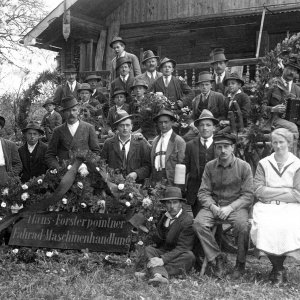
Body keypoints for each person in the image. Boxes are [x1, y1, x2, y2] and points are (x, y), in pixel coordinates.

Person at [193, 132, 253, 279]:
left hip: (236, 207)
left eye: (226, 147)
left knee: (243, 226)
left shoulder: (244, 167)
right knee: (198, 223)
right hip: (215, 206)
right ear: (215, 149)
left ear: (232, 148)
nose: (223, 151)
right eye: (219, 147)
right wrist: (213, 207)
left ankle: (240, 264)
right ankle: (217, 257)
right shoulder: (210, 166)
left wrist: (230, 208)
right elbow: (203, 193)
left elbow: (248, 195)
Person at [250, 128, 300, 284]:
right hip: (267, 206)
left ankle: (278, 269)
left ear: (289, 143)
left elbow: (298, 194)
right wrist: (286, 190)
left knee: (288, 226)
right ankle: (278, 268)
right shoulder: (264, 163)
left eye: (281, 142)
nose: (278, 146)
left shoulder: (297, 164)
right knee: (265, 226)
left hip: (291, 206)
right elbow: (258, 190)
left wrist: (269, 191)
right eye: (275, 142)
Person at [136, 187, 195, 285]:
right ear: (165, 204)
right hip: (164, 250)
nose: (172, 206)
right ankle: (159, 276)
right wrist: (149, 229)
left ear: (181, 204)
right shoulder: (164, 216)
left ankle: (150, 274)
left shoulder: (187, 221)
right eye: (169, 203)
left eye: (175, 202)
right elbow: (160, 241)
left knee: (189, 257)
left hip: (179, 254)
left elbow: (182, 248)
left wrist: (163, 260)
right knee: (149, 250)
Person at [45, 97, 100, 170]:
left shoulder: (89, 128)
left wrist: (87, 166)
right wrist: (58, 168)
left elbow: (96, 151)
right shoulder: (57, 131)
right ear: (63, 113)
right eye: (67, 111)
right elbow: (50, 155)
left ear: (78, 111)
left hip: (85, 172)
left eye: (74, 110)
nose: (71, 113)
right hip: (64, 173)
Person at [184, 109, 218, 217]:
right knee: (198, 223)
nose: (205, 128)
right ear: (198, 128)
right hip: (196, 192)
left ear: (214, 127)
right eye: (202, 125)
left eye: (208, 125)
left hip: (217, 192)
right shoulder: (190, 145)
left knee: (218, 227)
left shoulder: (220, 145)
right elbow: (184, 169)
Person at [101, 110, 151, 184]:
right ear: (117, 127)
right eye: (122, 125)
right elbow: (102, 164)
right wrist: (110, 177)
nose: (125, 128)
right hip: (113, 185)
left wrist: (136, 174)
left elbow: (148, 166)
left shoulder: (140, 143)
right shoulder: (109, 143)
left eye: (127, 125)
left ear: (132, 126)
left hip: (135, 186)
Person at [263, 57, 300, 152]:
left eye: (294, 70)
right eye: (289, 69)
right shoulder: (273, 83)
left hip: (292, 121)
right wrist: (273, 109)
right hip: (273, 120)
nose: (292, 72)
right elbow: (260, 106)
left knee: (292, 127)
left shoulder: (297, 89)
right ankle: (292, 160)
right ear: (284, 68)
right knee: (293, 128)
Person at [184, 71, 226, 142]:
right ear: (199, 86)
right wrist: (193, 125)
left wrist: (213, 124)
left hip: (214, 126)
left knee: (199, 139)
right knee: (185, 138)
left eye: (207, 84)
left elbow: (224, 115)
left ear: (211, 85)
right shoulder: (196, 100)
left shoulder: (218, 97)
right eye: (202, 85)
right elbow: (192, 117)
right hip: (198, 127)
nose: (204, 87)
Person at [151, 109, 186, 186]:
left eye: (166, 122)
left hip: (171, 180)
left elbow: (181, 165)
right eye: (160, 122)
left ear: (172, 122)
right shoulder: (155, 141)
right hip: (156, 178)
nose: (163, 125)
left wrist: (179, 187)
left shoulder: (178, 141)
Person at [0, 116, 22, 185]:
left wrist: (9, 175)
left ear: (0, 128)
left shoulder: (10, 145)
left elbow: (18, 164)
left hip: (4, 174)